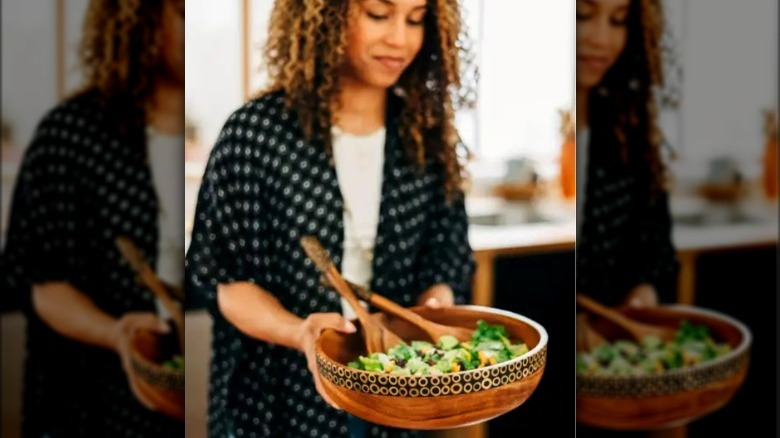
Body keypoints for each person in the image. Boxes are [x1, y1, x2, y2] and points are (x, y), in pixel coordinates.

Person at [185, 0, 477, 436]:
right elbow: (228, 282)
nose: (400, 38)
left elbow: (444, 256)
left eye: (416, 19)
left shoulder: (424, 135)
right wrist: (300, 332)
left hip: (393, 399)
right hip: (276, 401)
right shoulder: (255, 135)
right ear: (324, 17)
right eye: (379, 14)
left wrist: (434, 307)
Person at [2, 0, 185, 435]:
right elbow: (43, 281)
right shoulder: (71, 135)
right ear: (140, 17)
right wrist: (116, 333)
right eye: (181, 11)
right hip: (84, 404)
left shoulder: (224, 141)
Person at [575, 0, 680, 435]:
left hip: (609, 385)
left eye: (618, 21)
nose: (602, 37)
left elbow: (657, 250)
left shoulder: (628, 126)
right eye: (583, 15)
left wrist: (645, 291)